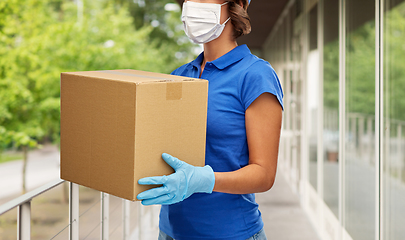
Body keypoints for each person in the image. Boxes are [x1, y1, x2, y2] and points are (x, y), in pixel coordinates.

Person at [137, 0, 284, 239]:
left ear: (235, 4)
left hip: (231, 234)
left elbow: (264, 175)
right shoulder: (179, 76)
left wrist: (203, 180)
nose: (193, 4)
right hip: (170, 232)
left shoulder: (255, 75)